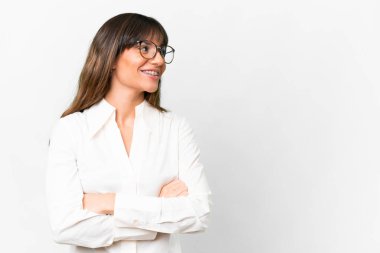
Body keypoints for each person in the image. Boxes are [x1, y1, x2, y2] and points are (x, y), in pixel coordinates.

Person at [46, 13, 211, 253]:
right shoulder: (71, 130)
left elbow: (198, 214)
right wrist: (160, 211)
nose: (159, 61)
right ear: (111, 56)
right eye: (145, 48)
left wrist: (108, 203)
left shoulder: (175, 128)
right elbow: (65, 226)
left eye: (162, 51)